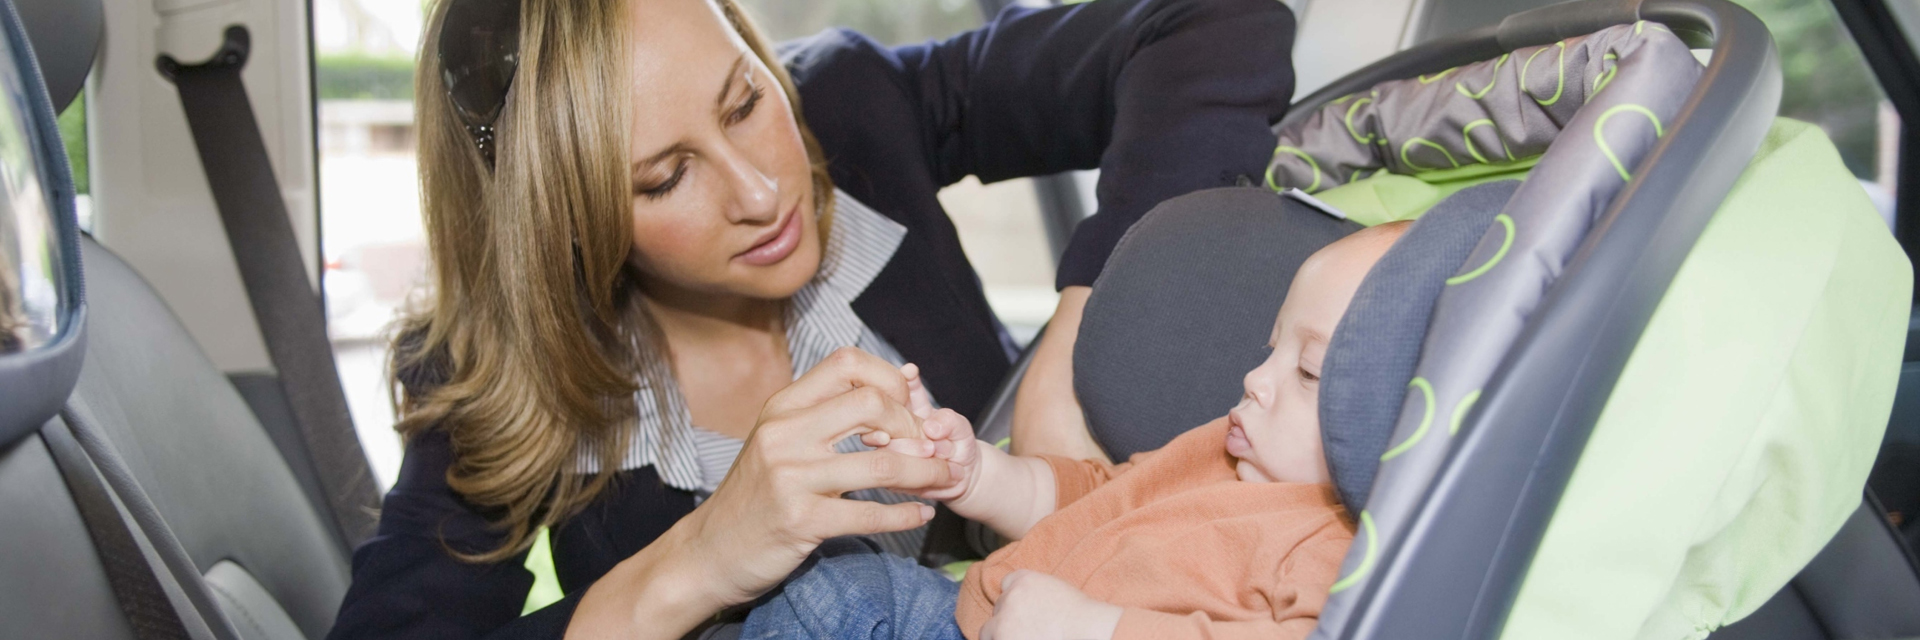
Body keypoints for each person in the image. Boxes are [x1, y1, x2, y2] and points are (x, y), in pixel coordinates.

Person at [326, 0, 1298, 638]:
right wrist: (699, 559)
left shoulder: (850, 106)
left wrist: (1090, 322)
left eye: (744, 101)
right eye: (664, 178)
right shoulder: (488, 374)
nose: (760, 192)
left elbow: (1210, 22)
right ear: (563, 226)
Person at [739, 222, 1413, 640]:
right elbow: (1090, 500)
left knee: (836, 598)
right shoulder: (1219, 450)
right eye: (1270, 350)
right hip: (978, 616)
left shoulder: (1336, 543)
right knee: (838, 581)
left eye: (1310, 372)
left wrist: (1099, 630)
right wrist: (976, 474)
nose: (1256, 380)